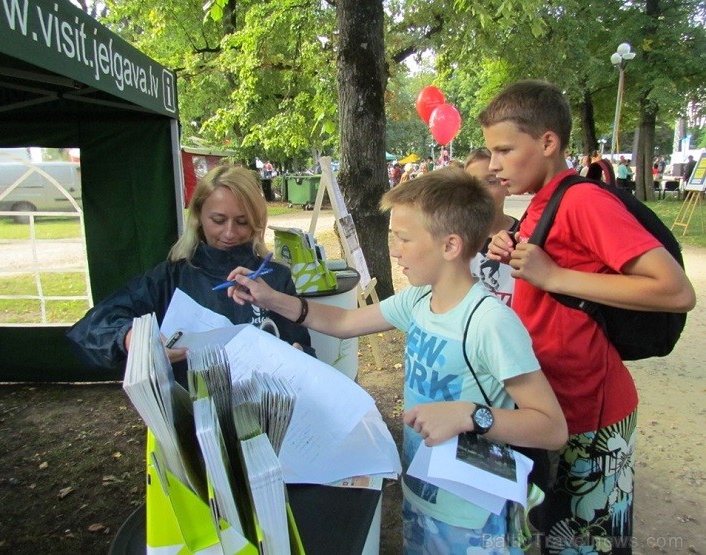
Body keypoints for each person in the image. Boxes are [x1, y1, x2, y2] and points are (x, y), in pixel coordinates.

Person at [224, 166, 568, 553]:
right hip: (421, 493)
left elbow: (552, 428)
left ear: (450, 246)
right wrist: (271, 299)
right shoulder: (419, 300)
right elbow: (343, 321)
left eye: (403, 238)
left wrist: (471, 415)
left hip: (472, 516)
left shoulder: (491, 323)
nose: (393, 250)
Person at [482, 80, 696, 555]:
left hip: (591, 414)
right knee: (555, 536)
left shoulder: (583, 200)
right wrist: (510, 245)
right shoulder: (542, 202)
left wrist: (553, 275)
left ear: (548, 142)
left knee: (586, 546)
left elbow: (676, 290)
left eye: (503, 150)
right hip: (553, 406)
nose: (494, 165)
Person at [66, 165, 313, 385]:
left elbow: (305, 351)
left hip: (266, 418)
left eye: (242, 222)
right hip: (192, 420)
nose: (229, 233)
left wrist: (300, 359)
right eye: (218, 220)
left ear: (257, 222)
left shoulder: (275, 278)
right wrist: (135, 341)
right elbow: (91, 327)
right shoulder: (171, 278)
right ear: (198, 216)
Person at [465, 147, 519, 307]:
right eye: (472, 183)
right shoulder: (453, 238)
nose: (480, 191)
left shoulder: (523, 236)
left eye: (491, 181)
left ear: (507, 186)